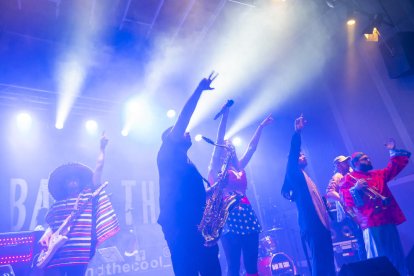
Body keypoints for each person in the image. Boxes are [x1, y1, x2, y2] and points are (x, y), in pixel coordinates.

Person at [157, 72, 221, 276]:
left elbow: (194, 192)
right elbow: (184, 118)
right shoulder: (167, 152)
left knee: (212, 270)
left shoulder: (188, 163)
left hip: (199, 225)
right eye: (182, 131)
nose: (188, 132)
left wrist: (213, 190)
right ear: (171, 137)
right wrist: (198, 91)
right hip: (180, 225)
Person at [38, 134, 120, 276]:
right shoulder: (58, 204)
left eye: (75, 180)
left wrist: (102, 148)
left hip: (78, 254)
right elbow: (54, 225)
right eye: (69, 180)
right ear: (65, 184)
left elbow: (99, 169)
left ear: (80, 182)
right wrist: (47, 233)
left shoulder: (88, 196)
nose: (73, 183)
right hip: (58, 255)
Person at [207, 101, 273, 276]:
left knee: (252, 265)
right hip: (228, 216)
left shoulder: (239, 166)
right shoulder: (216, 168)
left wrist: (260, 127)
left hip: (247, 214)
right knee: (234, 266)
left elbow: (252, 148)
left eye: (232, 145)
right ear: (221, 150)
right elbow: (219, 139)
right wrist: (226, 114)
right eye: (226, 145)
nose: (230, 146)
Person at [339, 139, 411, 275]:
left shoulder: (378, 174)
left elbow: (394, 167)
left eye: (368, 158)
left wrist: (392, 150)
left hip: (387, 220)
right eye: (365, 159)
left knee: (396, 254)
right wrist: (355, 188)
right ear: (356, 163)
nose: (369, 160)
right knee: (378, 256)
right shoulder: (349, 179)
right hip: (371, 223)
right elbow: (347, 202)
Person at [281, 115, 336, 276]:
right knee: (319, 259)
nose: (303, 156)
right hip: (311, 223)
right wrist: (297, 132)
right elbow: (292, 153)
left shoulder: (306, 176)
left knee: (327, 258)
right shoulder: (294, 174)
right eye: (300, 155)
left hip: (321, 223)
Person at [325, 155, 367, 261]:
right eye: (344, 162)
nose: (347, 163)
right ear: (338, 165)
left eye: (347, 161)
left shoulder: (352, 172)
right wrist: (344, 198)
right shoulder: (338, 176)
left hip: (360, 208)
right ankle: (366, 265)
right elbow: (329, 192)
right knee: (361, 238)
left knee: (366, 237)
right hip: (350, 211)